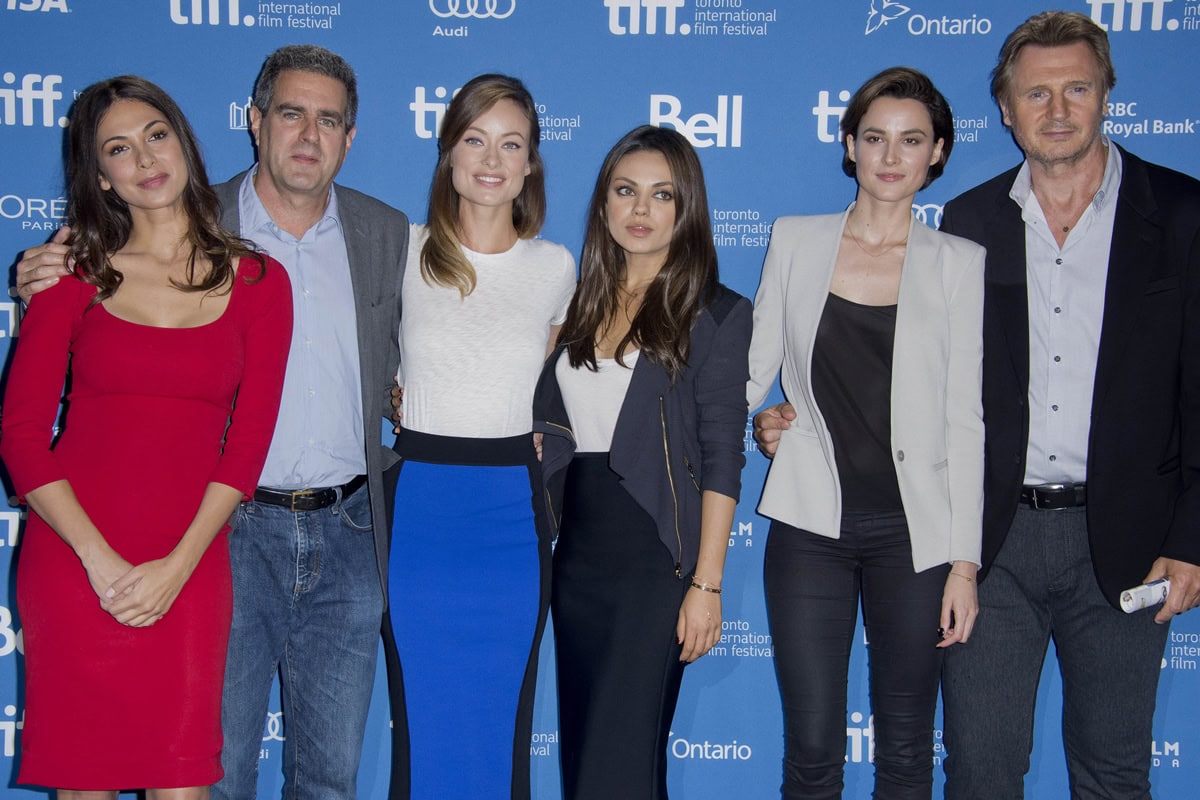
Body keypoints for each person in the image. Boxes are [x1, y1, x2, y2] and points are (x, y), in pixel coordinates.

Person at [755, 13, 1200, 799]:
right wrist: (781, 418)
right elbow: (926, 387)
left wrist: (1192, 537)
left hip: (1125, 538)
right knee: (981, 771)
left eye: (1076, 88)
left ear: (1107, 97)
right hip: (996, 539)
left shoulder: (1184, 213)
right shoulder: (976, 220)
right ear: (1006, 109)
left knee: (1115, 770)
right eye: (1036, 92)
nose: (1056, 109)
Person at [16, 45, 409, 799]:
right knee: (210, 776)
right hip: (230, 533)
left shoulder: (383, 234)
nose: (307, 133)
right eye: (290, 112)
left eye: (328, 119)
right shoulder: (123, 252)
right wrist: (33, 276)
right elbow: (26, 430)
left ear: (351, 137)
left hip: (343, 530)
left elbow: (459, 318)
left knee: (327, 778)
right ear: (254, 123)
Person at [0, 75, 291, 799]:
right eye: (119, 150)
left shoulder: (259, 280)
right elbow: (21, 436)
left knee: (182, 782)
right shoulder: (74, 274)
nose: (145, 159)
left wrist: (176, 566)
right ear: (102, 177)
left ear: (184, 143)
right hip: (73, 561)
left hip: (189, 565)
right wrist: (98, 562)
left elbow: (247, 446)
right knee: (85, 780)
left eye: (156, 135)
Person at [746, 67, 984, 800]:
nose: (890, 155)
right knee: (813, 749)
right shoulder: (795, 240)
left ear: (937, 152)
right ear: (849, 145)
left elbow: (965, 419)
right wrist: (751, 421)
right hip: (809, 527)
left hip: (917, 535)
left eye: (911, 140)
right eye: (874, 137)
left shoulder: (959, 263)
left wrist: (965, 567)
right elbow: (750, 370)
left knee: (907, 750)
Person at [533, 125, 752, 800]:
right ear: (603, 204)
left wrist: (707, 585)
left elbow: (723, 456)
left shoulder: (715, 312)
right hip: (579, 556)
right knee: (588, 758)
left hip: (658, 559)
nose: (640, 209)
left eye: (661, 195)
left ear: (686, 209)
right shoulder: (571, 307)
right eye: (625, 191)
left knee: (618, 766)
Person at [385, 73, 576, 800]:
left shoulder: (555, 267)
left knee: (503, 719)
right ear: (448, 152)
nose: (492, 159)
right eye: (475, 139)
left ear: (530, 164)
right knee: (424, 718)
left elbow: (566, 390)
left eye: (512, 143)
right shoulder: (400, 250)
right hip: (421, 505)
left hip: (511, 506)